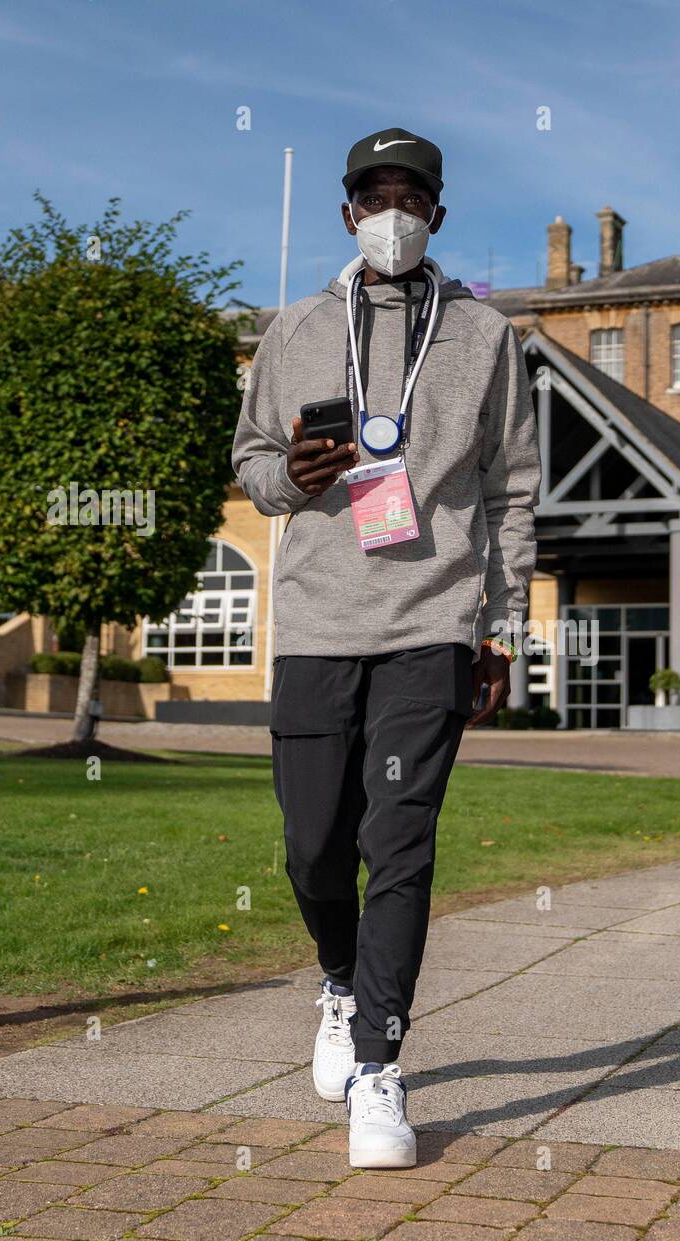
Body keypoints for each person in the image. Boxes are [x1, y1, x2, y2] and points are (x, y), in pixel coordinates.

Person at [232, 128, 539, 1169]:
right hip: (318, 620)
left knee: (396, 843)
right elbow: (253, 462)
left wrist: (502, 622)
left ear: (438, 214)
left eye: (411, 195)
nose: (392, 211)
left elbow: (513, 487)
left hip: (432, 620)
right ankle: (336, 979)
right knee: (314, 843)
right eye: (375, 194)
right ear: (347, 212)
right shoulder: (295, 327)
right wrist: (297, 478)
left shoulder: (487, 336)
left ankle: (379, 1069)